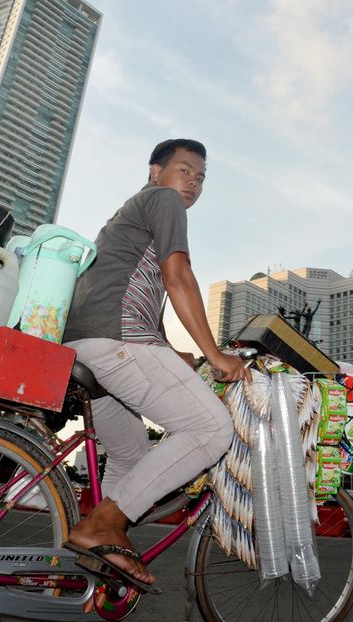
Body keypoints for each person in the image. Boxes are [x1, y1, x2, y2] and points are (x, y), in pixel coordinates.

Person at [62, 138, 251, 591]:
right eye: (184, 170)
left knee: (130, 455)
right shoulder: (162, 200)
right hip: (115, 342)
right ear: (155, 172)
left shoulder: (130, 217)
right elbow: (178, 274)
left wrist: (179, 352)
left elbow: (146, 300)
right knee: (211, 430)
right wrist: (214, 355)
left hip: (85, 347)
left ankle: (102, 560)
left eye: (200, 177)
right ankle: (101, 525)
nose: (193, 182)